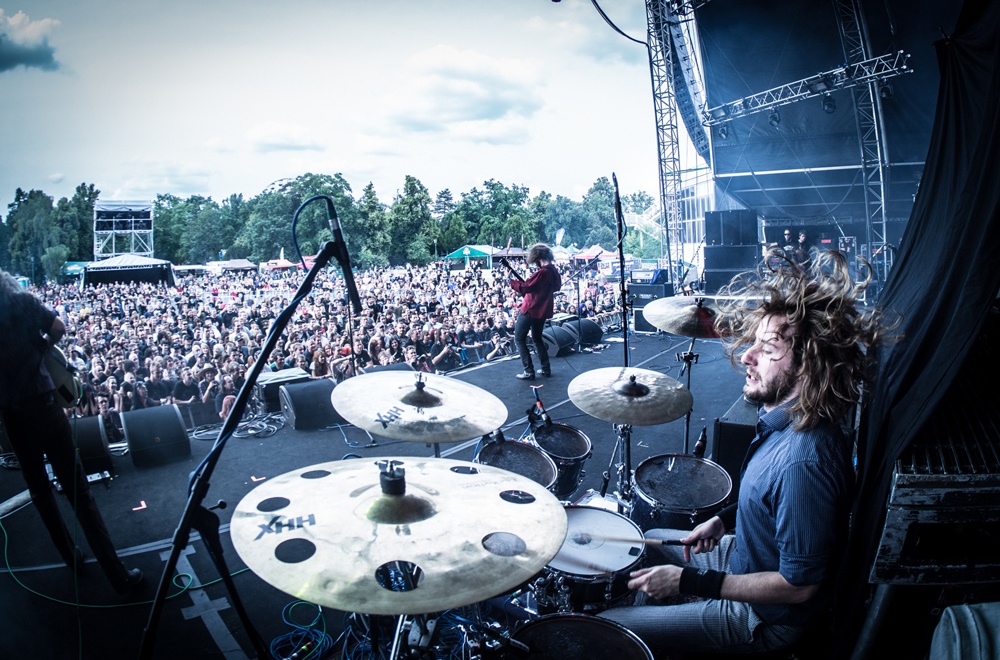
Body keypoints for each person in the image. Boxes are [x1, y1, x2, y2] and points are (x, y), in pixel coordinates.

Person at [600, 250, 888, 656]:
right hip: (746, 557)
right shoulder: (782, 422)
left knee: (612, 627)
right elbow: (770, 502)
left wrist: (687, 582)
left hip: (766, 616)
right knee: (645, 541)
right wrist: (723, 519)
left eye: (767, 349)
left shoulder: (804, 461)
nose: (747, 356)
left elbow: (800, 587)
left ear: (808, 367)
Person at [0, 270, 142, 594]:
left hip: (12, 414)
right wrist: (40, 348)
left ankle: (71, 558)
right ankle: (117, 575)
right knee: (79, 492)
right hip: (43, 405)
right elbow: (59, 328)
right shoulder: (22, 303)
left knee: (40, 492)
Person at [507, 243, 562, 380]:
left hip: (531, 308)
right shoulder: (553, 271)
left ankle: (529, 371)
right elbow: (555, 287)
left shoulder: (542, 273)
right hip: (542, 310)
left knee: (519, 339)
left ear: (538, 257)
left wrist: (511, 281)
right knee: (537, 339)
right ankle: (545, 369)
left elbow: (525, 287)